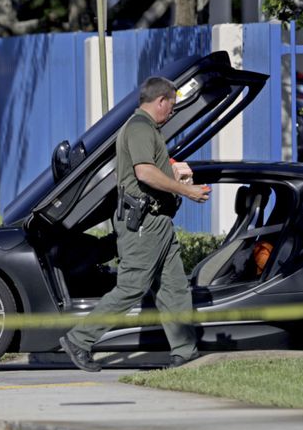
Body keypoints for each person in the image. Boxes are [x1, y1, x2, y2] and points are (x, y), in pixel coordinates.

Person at [60, 76, 210, 372]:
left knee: (174, 288)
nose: (173, 112)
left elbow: (153, 169)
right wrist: (187, 191)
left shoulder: (145, 128)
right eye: (172, 106)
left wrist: (175, 172)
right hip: (143, 223)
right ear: (161, 101)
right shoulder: (140, 128)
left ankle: (185, 351)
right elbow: (144, 173)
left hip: (158, 222)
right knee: (132, 286)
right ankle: (79, 340)